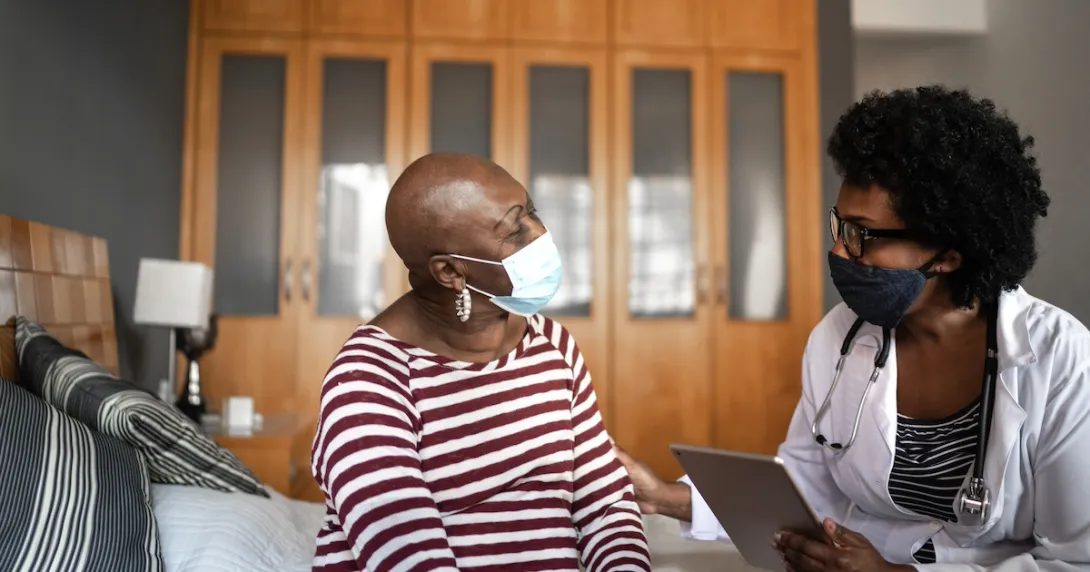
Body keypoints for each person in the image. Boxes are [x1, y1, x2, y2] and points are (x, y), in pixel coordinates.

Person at [615, 85, 1090, 571]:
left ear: (948, 253)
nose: (841, 252)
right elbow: (804, 487)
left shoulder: (1060, 359)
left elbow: (1075, 560)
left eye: (862, 234)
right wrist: (664, 496)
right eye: (840, 226)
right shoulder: (838, 337)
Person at [309, 153, 651, 572]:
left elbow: (606, 506)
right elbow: (407, 554)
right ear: (452, 271)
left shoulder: (554, 345)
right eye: (515, 231)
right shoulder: (368, 378)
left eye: (532, 212)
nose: (541, 234)